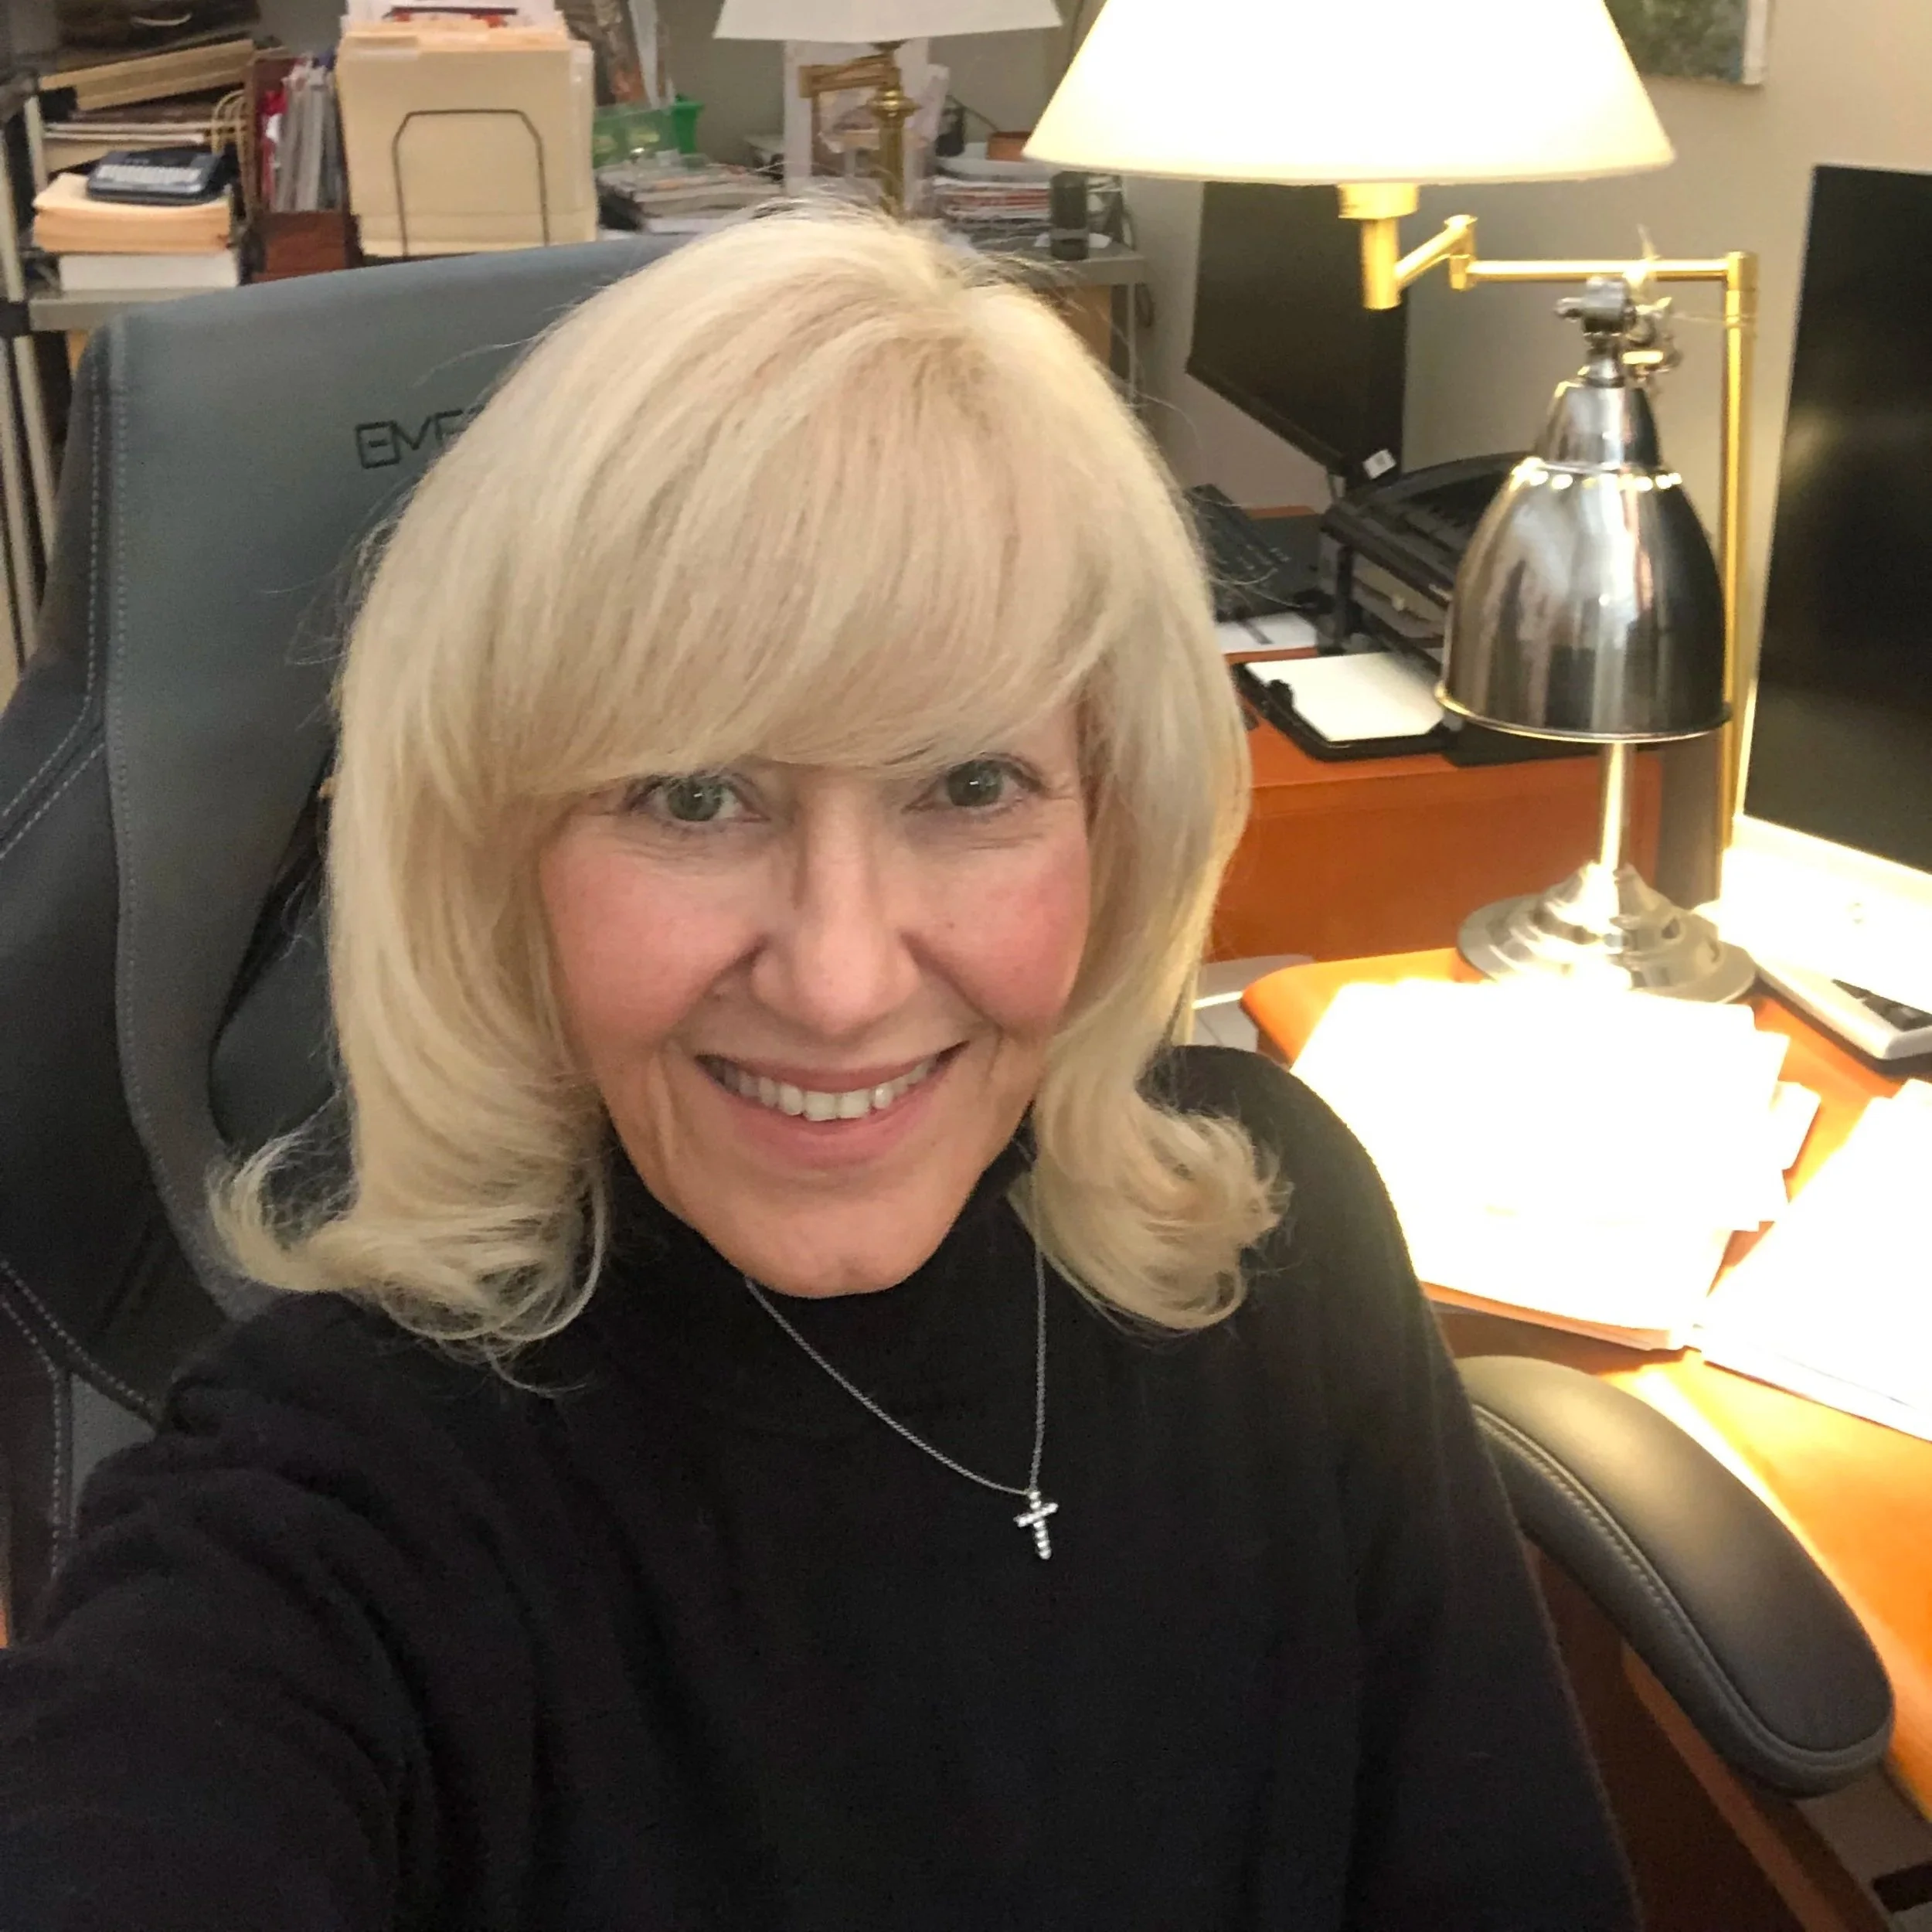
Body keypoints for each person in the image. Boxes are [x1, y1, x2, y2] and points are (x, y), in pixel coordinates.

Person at [0, 210, 1636, 1930]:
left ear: (1116, 810)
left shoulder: (1274, 1238)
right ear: (501, 851)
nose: (844, 977)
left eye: (969, 786)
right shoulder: (343, 1502)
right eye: (693, 796)